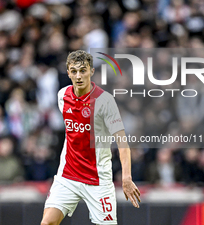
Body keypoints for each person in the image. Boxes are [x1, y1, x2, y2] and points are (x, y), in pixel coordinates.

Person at [41, 50, 141, 225]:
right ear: (68, 73)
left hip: (98, 180)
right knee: (47, 223)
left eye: (83, 70)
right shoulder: (62, 96)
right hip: (68, 176)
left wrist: (126, 177)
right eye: (74, 71)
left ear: (91, 72)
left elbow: (122, 142)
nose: (78, 76)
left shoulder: (105, 101)